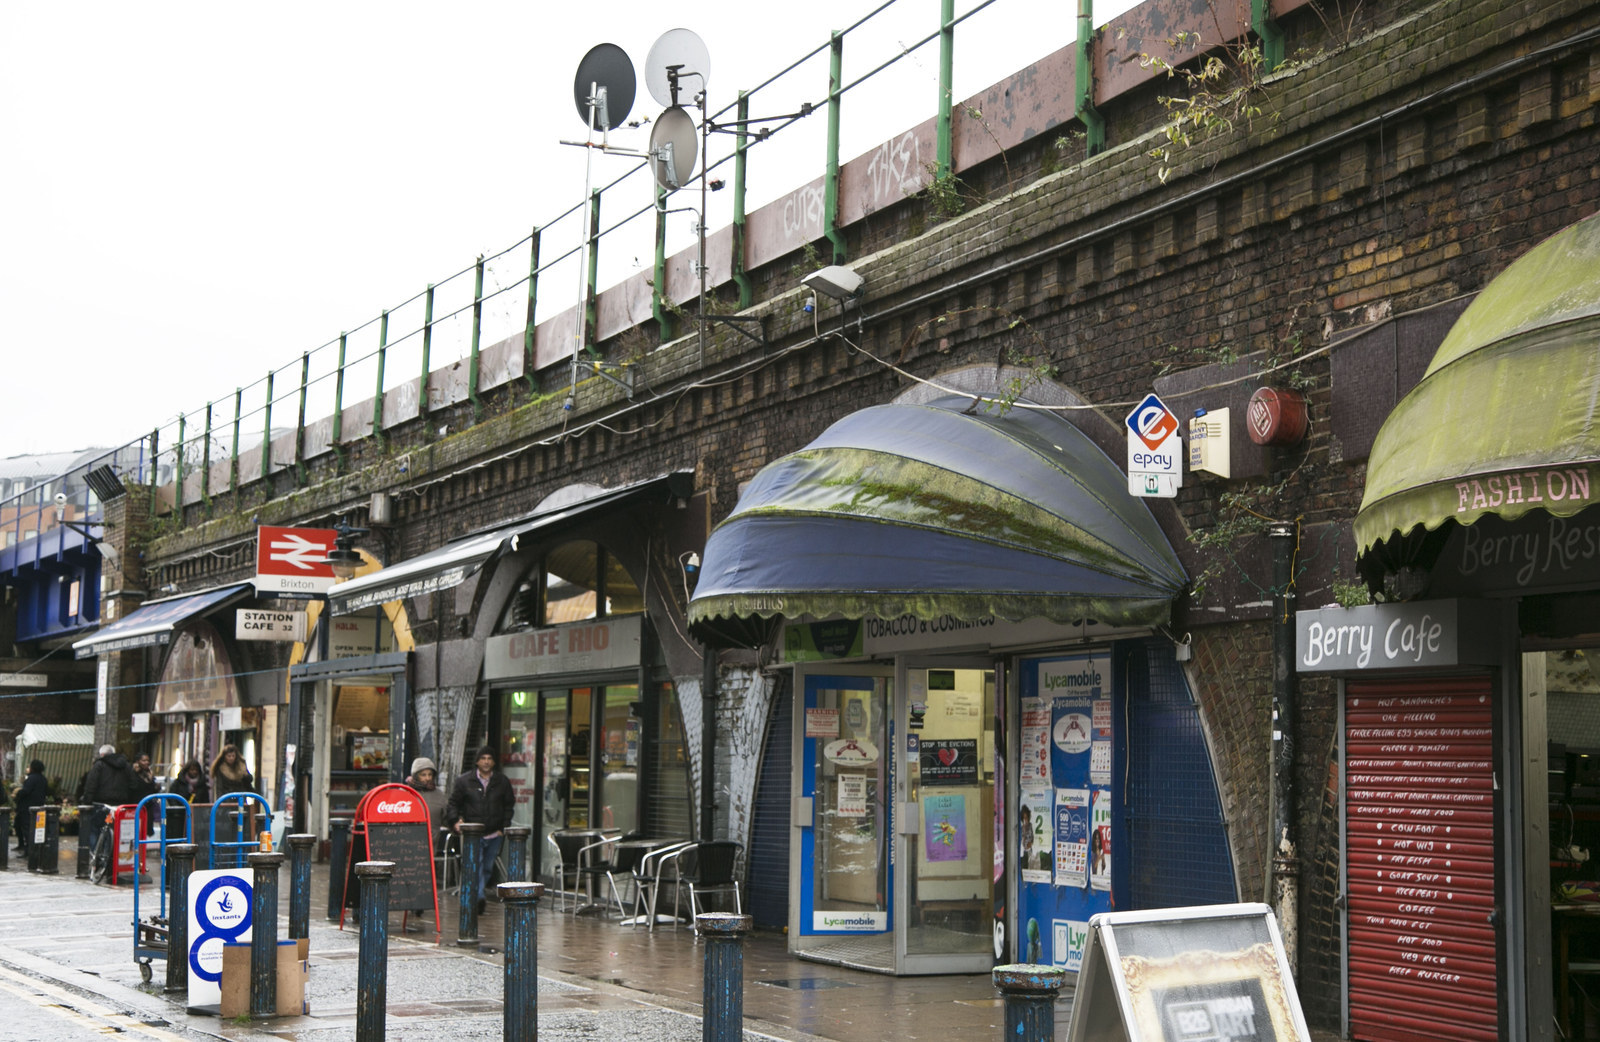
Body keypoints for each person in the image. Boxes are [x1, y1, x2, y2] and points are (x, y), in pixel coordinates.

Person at [444, 746, 513, 916]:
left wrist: (503, 828)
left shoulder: (502, 781)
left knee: (488, 867)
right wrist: (456, 821)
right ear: (477, 761)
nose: (486, 762)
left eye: (489, 758)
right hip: (473, 833)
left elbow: (508, 805)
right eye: (483, 758)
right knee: (477, 866)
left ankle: (477, 894)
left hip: (494, 833)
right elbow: (453, 803)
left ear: (494, 762)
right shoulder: (464, 781)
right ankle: (479, 898)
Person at [81, 744, 138, 862]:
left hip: (101, 804)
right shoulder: (126, 766)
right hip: (120, 806)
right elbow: (133, 785)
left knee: (96, 830)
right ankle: (110, 858)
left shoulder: (99, 765)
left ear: (102, 754)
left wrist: (87, 802)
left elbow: (91, 785)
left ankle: (95, 857)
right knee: (114, 832)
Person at [166, 759, 210, 837]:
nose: (194, 772)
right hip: (179, 816)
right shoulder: (179, 782)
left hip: (197, 816)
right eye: (192, 770)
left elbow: (206, 800)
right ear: (187, 770)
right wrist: (177, 808)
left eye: (196, 770)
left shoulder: (202, 784)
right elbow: (171, 796)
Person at [14, 760, 48, 856]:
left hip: (26, 807)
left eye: (29, 766)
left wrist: (17, 793)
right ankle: (30, 847)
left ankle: (28, 850)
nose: (27, 768)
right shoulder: (43, 779)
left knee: (26, 828)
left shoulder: (31, 778)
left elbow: (26, 791)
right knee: (31, 828)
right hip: (38, 806)